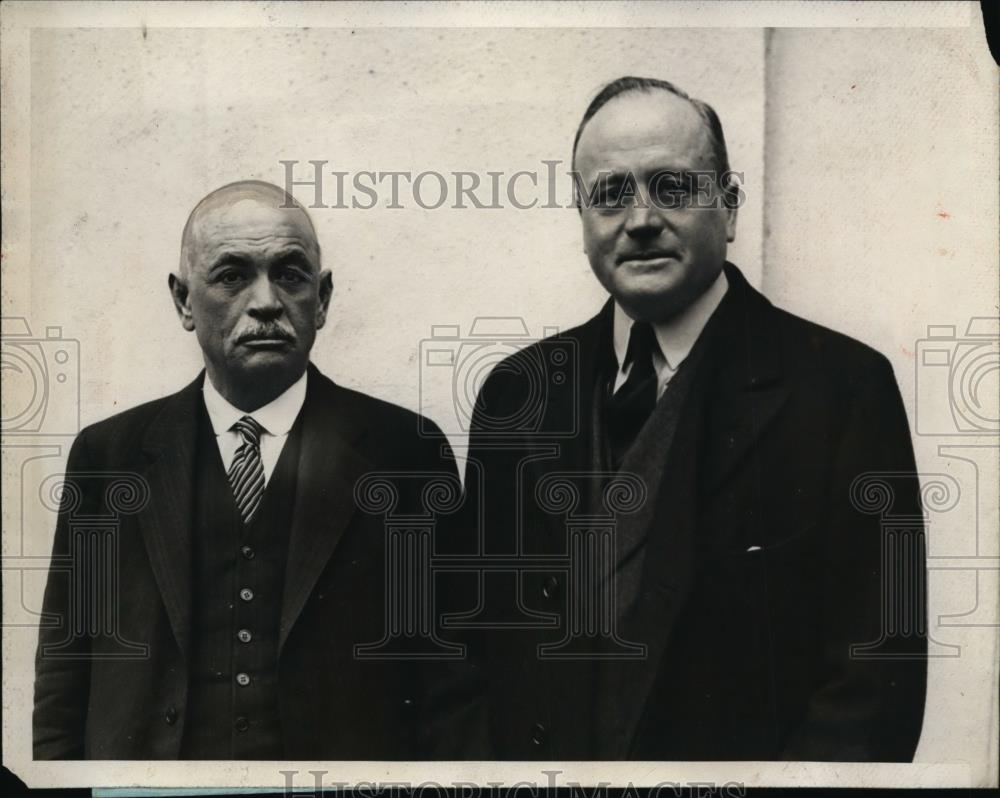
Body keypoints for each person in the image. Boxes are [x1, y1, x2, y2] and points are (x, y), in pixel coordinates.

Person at [460, 77, 927, 761]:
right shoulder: (516, 394)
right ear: (583, 217)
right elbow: (466, 649)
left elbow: (874, 683)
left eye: (672, 187)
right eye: (611, 194)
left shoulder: (843, 390)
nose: (640, 218)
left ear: (730, 208)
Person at [33, 180, 457, 760]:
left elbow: (448, 691)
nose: (265, 302)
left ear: (323, 298)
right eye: (232, 276)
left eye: (290, 273)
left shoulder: (406, 453)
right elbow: (63, 686)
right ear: (184, 301)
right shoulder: (107, 459)